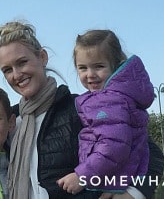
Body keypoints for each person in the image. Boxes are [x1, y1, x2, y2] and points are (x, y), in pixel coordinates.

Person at [0, 20, 163, 199]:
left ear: (42, 57)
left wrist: (133, 193)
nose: (16, 74)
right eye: (7, 70)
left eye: (22, 62)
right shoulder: (11, 122)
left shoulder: (83, 108)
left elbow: (152, 156)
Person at [57, 30, 154, 196]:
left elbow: (113, 145)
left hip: (112, 182)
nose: (90, 75)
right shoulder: (117, 96)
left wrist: (82, 176)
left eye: (99, 66)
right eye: (82, 68)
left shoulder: (109, 101)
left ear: (115, 65)